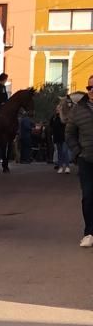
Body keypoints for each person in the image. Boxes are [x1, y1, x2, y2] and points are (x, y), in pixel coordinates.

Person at [65, 74, 93, 248]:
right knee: (89, 196)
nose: (91, 91)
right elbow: (69, 133)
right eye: (89, 87)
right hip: (87, 159)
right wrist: (77, 152)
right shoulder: (78, 109)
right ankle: (89, 232)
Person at [49, 108, 70, 174]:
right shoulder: (53, 117)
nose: (57, 110)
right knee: (59, 152)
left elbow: (65, 123)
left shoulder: (64, 116)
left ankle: (67, 166)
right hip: (57, 137)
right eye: (57, 109)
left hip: (64, 137)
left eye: (59, 109)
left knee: (64, 151)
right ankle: (60, 166)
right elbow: (51, 125)